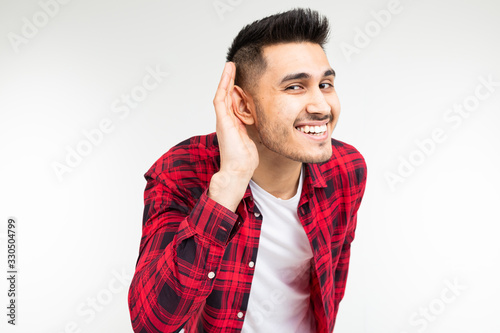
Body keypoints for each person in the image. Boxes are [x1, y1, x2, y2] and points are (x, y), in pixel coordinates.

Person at [128, 8, 367, 333]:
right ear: (243, 106)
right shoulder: (181, 170)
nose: (322, 106)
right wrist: (228, 186)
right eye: (295, 87)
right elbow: (151, 323)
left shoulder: (347, 170)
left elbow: (330, 289)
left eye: (325, 84)